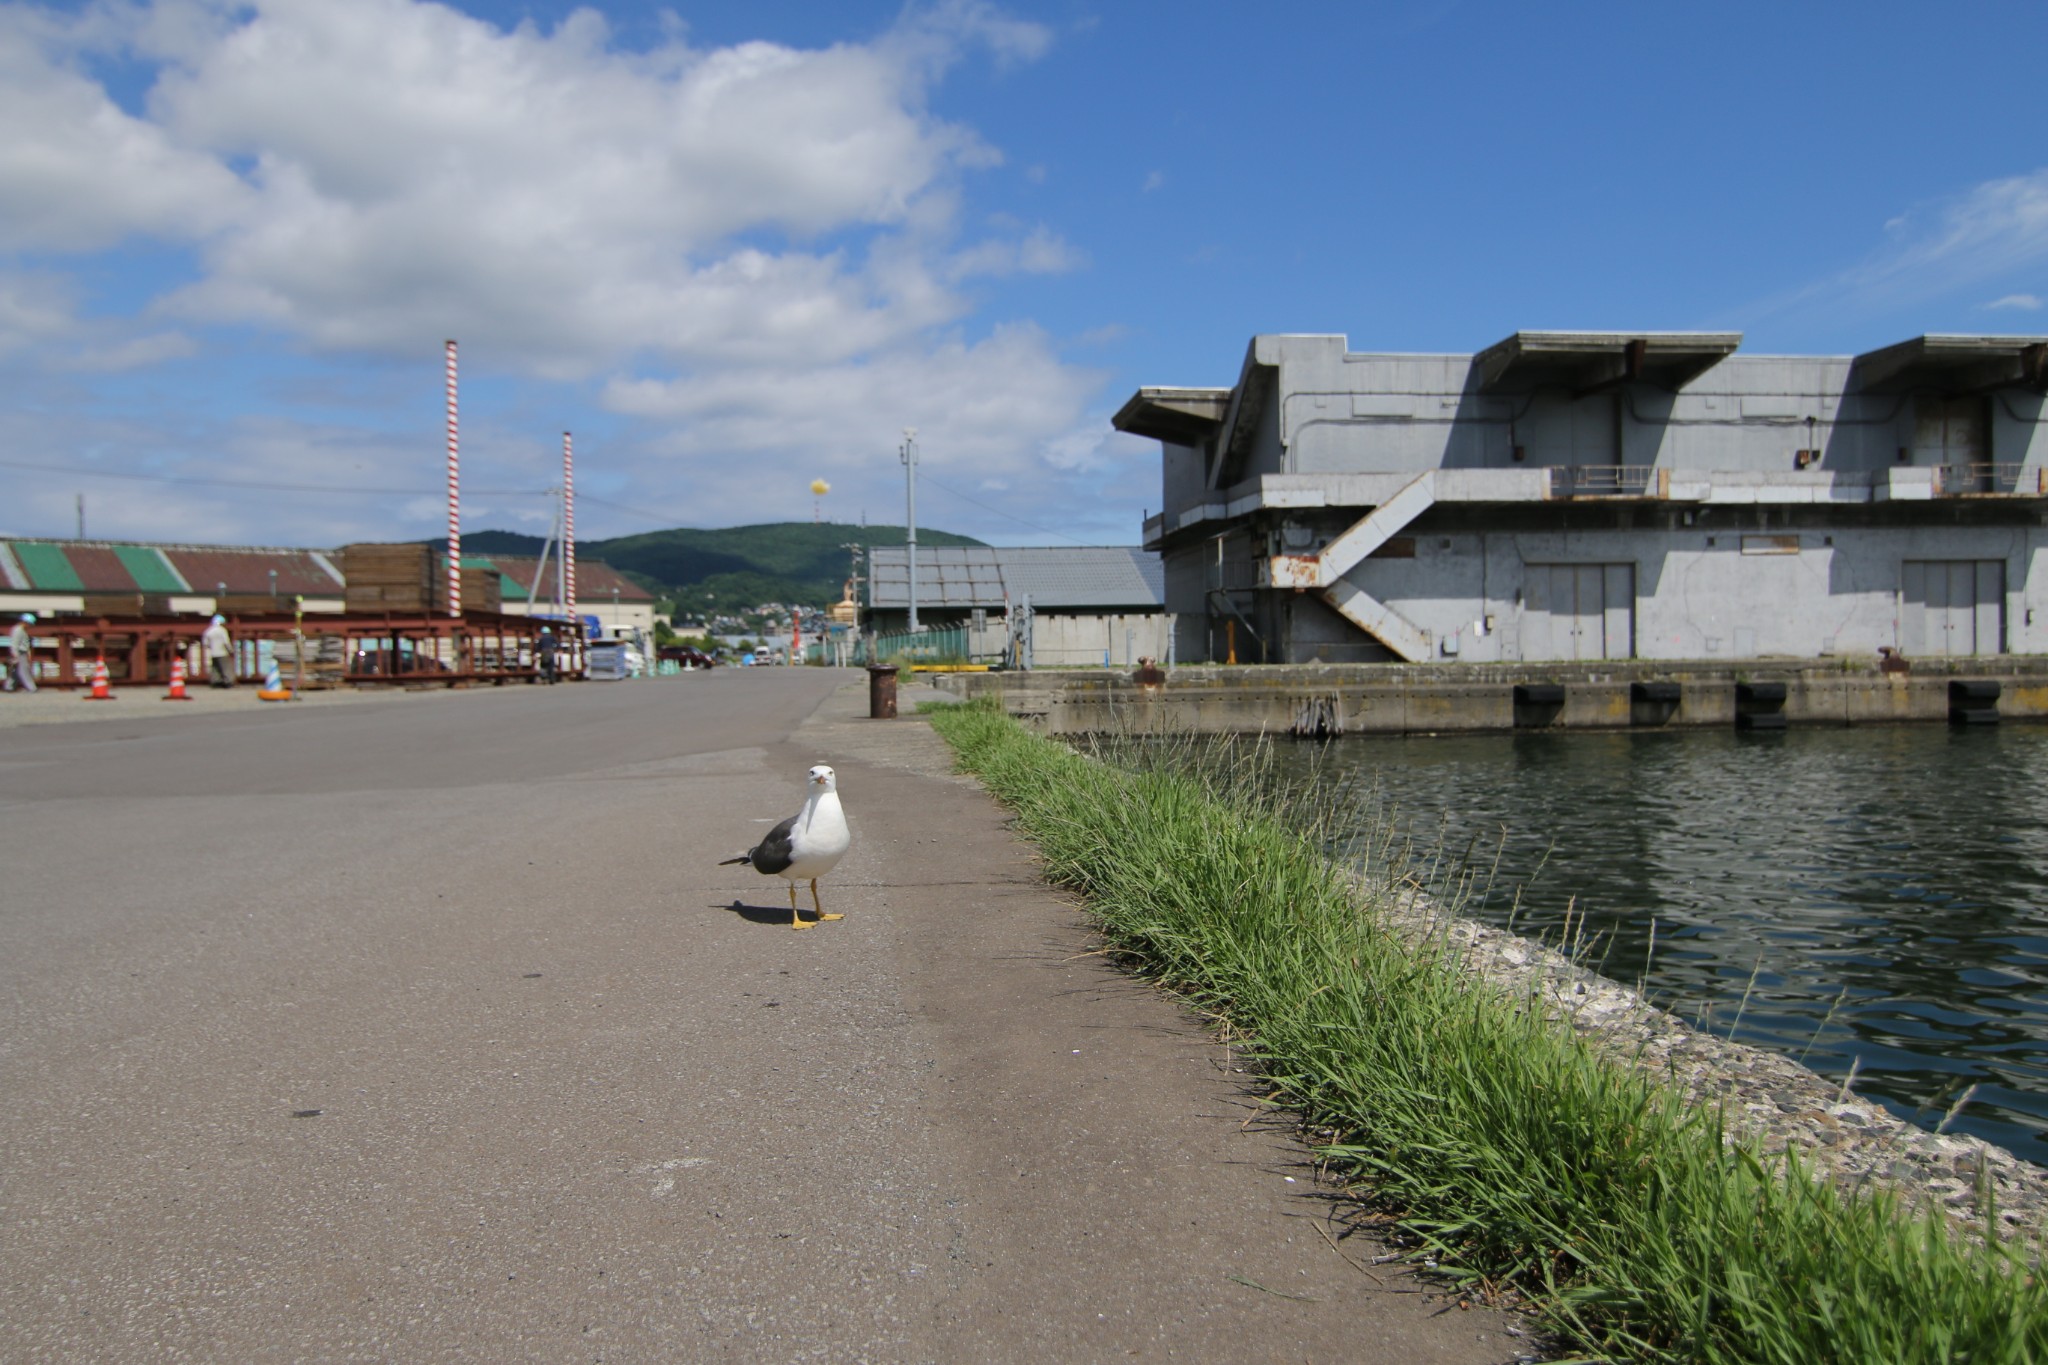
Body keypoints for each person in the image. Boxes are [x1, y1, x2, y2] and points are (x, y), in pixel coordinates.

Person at [5, 613, 35, 693]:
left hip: (21, 653)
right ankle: (31, 688)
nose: (30, 626)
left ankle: (9, 687)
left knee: (15, 671)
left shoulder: (21, 630)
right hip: (19, 653)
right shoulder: (17, 630)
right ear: (25, 622)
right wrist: (15, 655)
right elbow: (15, 643)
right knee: (24, 671)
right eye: (30, 624)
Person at [201, 614, 234, 688]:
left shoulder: (208, 631)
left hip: (213, 653)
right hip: (222, 652)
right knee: (225, 668)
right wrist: (231, 650)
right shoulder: (222, 630)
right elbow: (226, 642)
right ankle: (228, 682)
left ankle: (215, 682)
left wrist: (211, 648)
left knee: (215, 668)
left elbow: (205, 643)